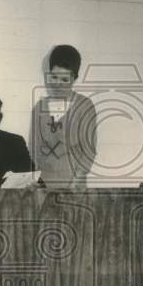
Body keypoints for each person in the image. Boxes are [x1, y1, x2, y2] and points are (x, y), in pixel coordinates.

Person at [30, 45, 97, 190]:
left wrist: (76, 181)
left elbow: (89, 150)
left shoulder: (85, 106)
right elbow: (34, 148)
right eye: (54, 77)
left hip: (73, 184)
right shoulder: (39, 108)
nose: (57, 84)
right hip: (44, 184)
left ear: (75, 78)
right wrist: (34, 179)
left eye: (64, 79)